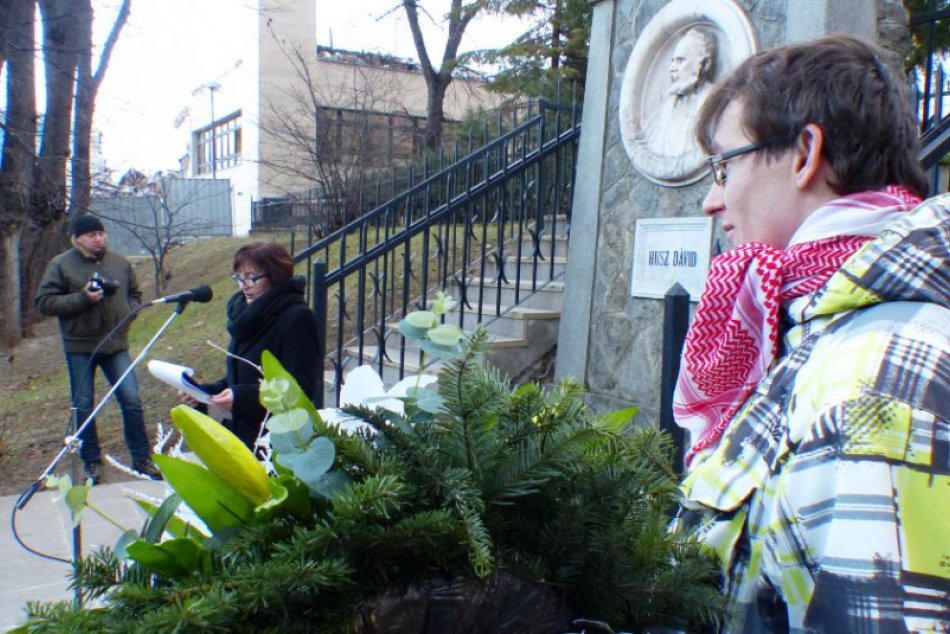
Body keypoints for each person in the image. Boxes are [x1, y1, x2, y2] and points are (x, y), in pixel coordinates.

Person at [672, 35, 949, 630]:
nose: (710, 201)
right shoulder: (820, 324)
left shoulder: (876, 370)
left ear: (805, 153)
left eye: (724, 166)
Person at [36, 214, 161, 484]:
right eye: (92, 235)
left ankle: (142, 459)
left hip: (115, 345)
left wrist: (128, 312)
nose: (98, 238)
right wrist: (83, 298)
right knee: (84, 405)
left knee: (132, 401)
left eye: (101, 233)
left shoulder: (119, 263)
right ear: (78, 238)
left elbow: (136, 294)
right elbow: (44, 302)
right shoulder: (61, 265)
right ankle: (92, 462)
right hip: (80, 346)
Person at [182, 242, 320, 450]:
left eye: (251, 277)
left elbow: (300, 389)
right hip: (240, 438)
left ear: (275, 276)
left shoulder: (296, 318)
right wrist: (203, 393)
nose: (243, 285)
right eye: (239, 277)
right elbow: (240, 376)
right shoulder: (244, 318)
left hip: (277, 443)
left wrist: (241, 398)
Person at [636, 27, 717, 181]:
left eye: (680, 60)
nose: (671, 68)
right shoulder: (665, 108)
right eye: (672, 61)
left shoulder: (715, 101)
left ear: (704, 63)